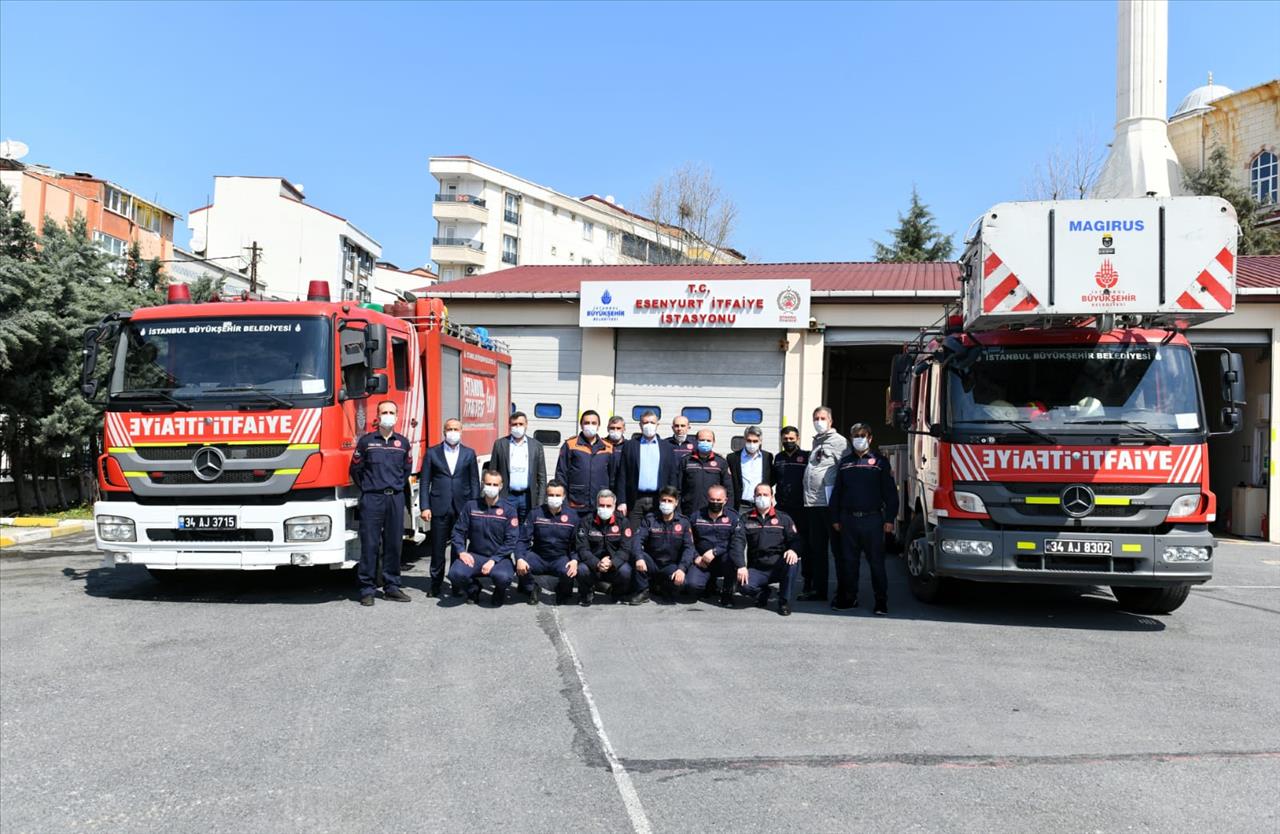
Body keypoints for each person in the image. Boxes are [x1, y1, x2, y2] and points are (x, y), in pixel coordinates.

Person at [349, 400, 413, 606]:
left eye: (391, 412)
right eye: (384, 412)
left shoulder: (402, 443)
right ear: (377, 416)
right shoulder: (366, 442)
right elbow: (356, 470)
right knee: (370, 543)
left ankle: (392, 586)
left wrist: (393, 488)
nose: (387, 415)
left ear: (397, 416)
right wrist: (370, 488)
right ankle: (367, 589)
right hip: (372, 498)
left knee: (394, 543)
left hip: (395, 498)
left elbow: (406, 471)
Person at [830, 423, 899, 615]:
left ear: (870, 438)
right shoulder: (845, 463)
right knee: (849, 563)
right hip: (848, 520)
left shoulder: (879, 462)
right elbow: (837, 492)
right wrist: (835, 517)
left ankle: (881, 601)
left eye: (862, 435)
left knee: (877, 563)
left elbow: (890, 494)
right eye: (855, 435)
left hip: (873, 520)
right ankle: (850, 598)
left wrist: (890, 519)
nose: (858, 439)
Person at [419, 418, 480, 597]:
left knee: (458, 547)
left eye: (456, 429)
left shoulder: (469, 453)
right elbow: (424, 482)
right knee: (437, 548)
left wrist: (474, 507)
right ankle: (435, 583)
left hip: (462, 508)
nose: (452, 432)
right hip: (439, 506)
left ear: (461, 431)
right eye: (449, 429)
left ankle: (457, 582)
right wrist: (425, 506)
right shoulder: (432, 453)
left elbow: (474, 482)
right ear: (444, 432)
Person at [448, 469, 520, 607]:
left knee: (503, 577)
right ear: (482, 484)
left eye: (495, 485)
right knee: (455, 574)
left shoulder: (509, 510)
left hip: (500, 558)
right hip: (475, 555)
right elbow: (458, 531)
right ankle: (473, 589)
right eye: (488, 484)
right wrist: (461, 551)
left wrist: (494, 560)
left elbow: (512, 540)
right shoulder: (471, 506)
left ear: (501, 486)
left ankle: (499, 592)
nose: (491, 488)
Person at [799, 406, 847, 602]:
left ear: (831, 421)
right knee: (817, 550)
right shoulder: (816, 442)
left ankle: (844, 590)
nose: (819, 421)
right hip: (813, 504)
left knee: (837, 550)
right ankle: (819, 590)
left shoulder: (839, 442)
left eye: (822, 418)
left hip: (829, 505)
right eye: (816, 418)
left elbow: (845, 471)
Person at [735, 483, 802, 617]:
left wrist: (793, 550)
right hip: (758, 567)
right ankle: (762, 592)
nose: (762, 497)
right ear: (754, 497)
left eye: (765, 495)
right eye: (759, 495)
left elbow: (796, 539)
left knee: (793, 563)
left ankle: (784, 602)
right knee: (743, 586)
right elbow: (738, 542)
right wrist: (741, 566)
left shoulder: (783, 518)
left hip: (778, 565)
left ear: (772, 497)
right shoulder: (746, 518)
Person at [516, 479, 579, 605]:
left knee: (569, 572)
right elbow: (523, 540)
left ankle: (562, 590)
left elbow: (577, 544)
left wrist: (575, 560)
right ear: (546, 496)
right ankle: (532, 588)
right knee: (520, 566)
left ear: (564, 497)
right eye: (551, 495)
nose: (554, 498)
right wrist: (519, 558)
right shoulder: (535, 513)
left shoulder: (573, 516)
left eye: (557, 495)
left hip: (560, 557)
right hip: (538, 556)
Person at [631, 485, 696, 603]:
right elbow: (637, 539)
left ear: (676, 503)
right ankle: (643, 591)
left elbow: (689, 548)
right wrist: (639, 558)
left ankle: (662, 588)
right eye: (663, 500)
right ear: (659, 501)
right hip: (652, 562)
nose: (666, 503)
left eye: (670, 501)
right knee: (636, 556)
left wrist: (682, 568)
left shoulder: (683, 522)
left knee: (682, 583)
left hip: (671, 565)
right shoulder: (650, 519)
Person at [572, 489, 635, 606]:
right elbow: (582, 548)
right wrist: (597, 563)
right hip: (593, 566)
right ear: (597, 505)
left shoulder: (623, 522)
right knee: (581, 569)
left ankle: (617, 594)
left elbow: (626, 549)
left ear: (614, 506)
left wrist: (612, 563)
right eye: (601, 505)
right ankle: (587, 593)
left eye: (608, 505)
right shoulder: (586, 521)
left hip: (614, 566)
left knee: (626, 571)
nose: (604, 508)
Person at [616, 410, 677, 525]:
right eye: (645, 422)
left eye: (652, 422)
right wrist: (621, 501)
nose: (649, 425)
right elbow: (622, 475)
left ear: (657, 425)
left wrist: (672, 499)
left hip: (659, 500)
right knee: (632, 535)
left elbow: (672, 475)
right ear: (640, 425)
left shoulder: (667, 447)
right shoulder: (630, 446)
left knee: (656, 536)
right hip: (635, 500)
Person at [688, 483, 745, 605]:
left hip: (724, 559)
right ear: (707, 499)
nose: (715, 502)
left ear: (725, 500)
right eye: (712, 499)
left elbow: (736, 541)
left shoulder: (733, 517)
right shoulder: (695, 517)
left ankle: (727, 592)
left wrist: (715, 551)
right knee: (692, 585)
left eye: (719, 500)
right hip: (703, 560)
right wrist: (695, 557)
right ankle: (709, 584)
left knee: (731, 556)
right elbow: (688, 541)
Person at [487, 411, 546, 525]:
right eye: (514, 424)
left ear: (526, 424)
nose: (517, 427)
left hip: (528, 497)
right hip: (507, 496)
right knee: (505, 527)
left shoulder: (536, 446)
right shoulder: (500, 444)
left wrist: (540, 501)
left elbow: (542, 476)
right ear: (510, 426)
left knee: (525, 530)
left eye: (520, 424)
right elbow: (492, 472)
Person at [771, 425, 810, 590]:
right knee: (782, 545)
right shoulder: (778, 458)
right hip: (783, 509)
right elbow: (771, 480)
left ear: (798, 439)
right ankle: (783, 580)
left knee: (805, 546)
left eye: (791, 439)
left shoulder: (806, 457)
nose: (788, 442)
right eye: (785, 439)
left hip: (802, 509)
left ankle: (808, 582)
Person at [556, 410, 617, 513]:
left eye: (593, 423)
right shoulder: (570, 445)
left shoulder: (608, 447)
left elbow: (613, 478)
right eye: (586, 423)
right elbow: (561, 474)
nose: (590, 426)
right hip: (575, 504)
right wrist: (563, 501)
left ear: (598, 426)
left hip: (601, 505)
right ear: (581, 425)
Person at [678, 428, 732, 518]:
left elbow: (729, 490)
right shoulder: (686, 460)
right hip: (689, 510)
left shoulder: (721, 462)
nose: (705, 442)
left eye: (708, 440)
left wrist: (728, 512)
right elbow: (678, 489)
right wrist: (679, 511)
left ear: (713, 442)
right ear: (696, 441)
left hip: (713, 512)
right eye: (702, 440)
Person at [728, 425, 773, 511]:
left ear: (760, 441)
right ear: (744, 439)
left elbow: (771, 478)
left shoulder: (767, 457)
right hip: (741, 505)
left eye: (755, 441)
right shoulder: (733, 458)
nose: (752, 444)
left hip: (762, 505)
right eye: (749, 440)